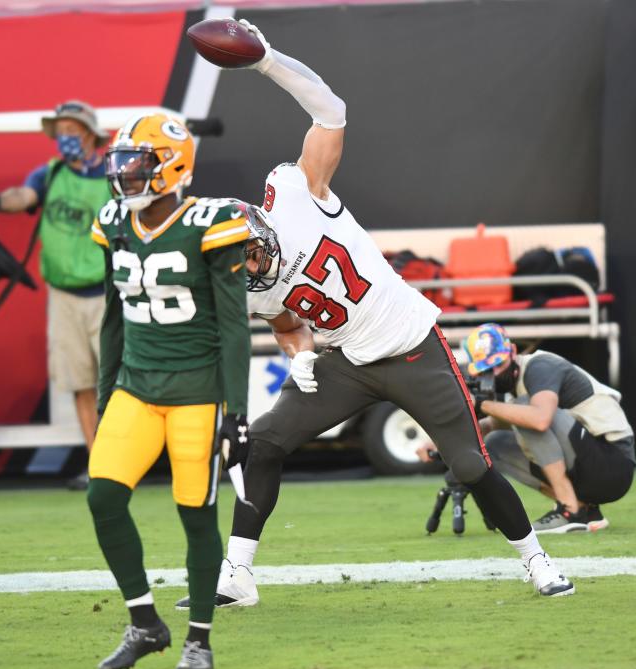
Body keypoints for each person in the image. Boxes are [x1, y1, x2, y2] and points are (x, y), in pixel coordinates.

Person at [176, 20, 575, 613]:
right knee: (263, 443)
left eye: (251, 250)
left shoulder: (295, 194)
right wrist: (302, 355)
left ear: (258, 226)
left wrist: (267, 62)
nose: (251, 265)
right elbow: (286, 322)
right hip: (346, 362)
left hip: (412, 346)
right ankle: (238, 574)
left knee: (469, 463)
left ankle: (536, 559)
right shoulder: (246, 287)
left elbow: (330, 110)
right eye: (238, 262)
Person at [87, 113, 251, 669]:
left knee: (196, 515)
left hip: (197, 393)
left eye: (137, 163)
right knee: (102, 498)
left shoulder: (212, 221)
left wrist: (237, 413)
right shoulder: (113, 221)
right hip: (136, 386)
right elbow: (113, 316)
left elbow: (233, 326)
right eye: (121, 162)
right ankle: (144, 623)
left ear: (172, 166)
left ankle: (199, 638)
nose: (125, 174)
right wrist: (107, 392)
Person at [0, 101, 110, 481]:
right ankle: (98, 463)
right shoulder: (50, 173)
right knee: (80, 382)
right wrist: (0, 202)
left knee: (114, 383)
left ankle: (121, 459)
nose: (65, 138)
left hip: (106, 292)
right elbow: (25, 196)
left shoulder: (112, 175)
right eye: (61, 131)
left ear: (90, 134)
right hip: (64, 295)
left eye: (72, 130)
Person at [422, 323, 636, 533]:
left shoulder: (540, 366)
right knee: (494, 443)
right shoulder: (513, 389)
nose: (494, 373)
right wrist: (440, 443)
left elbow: (539, 419)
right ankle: (582, 508)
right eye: (486, 369)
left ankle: (569, 510)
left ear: (513, 351)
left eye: (498, 363)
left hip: (614, 461)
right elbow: (489, 426)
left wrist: (482, 404)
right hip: (592, 469)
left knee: (525, 410)